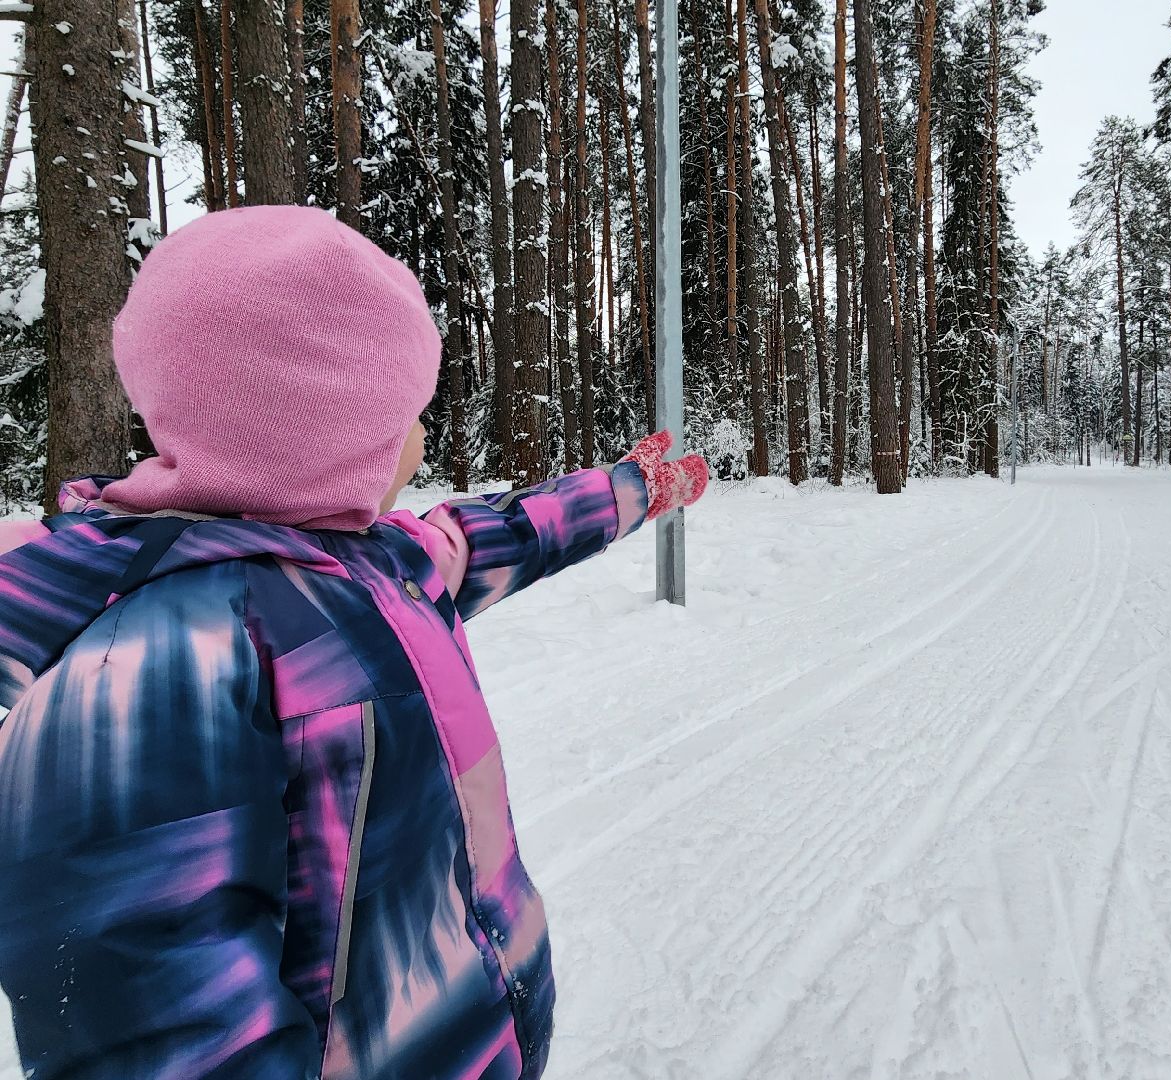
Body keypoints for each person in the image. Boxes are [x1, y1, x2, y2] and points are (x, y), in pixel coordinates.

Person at [0, 205, 707, 1079]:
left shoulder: (374, 562)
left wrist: (628, 489)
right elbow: (166, 1034)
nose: (421, 433)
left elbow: (501, 534)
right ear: (323, 425)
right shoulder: (143, 665)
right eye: (407, 410)